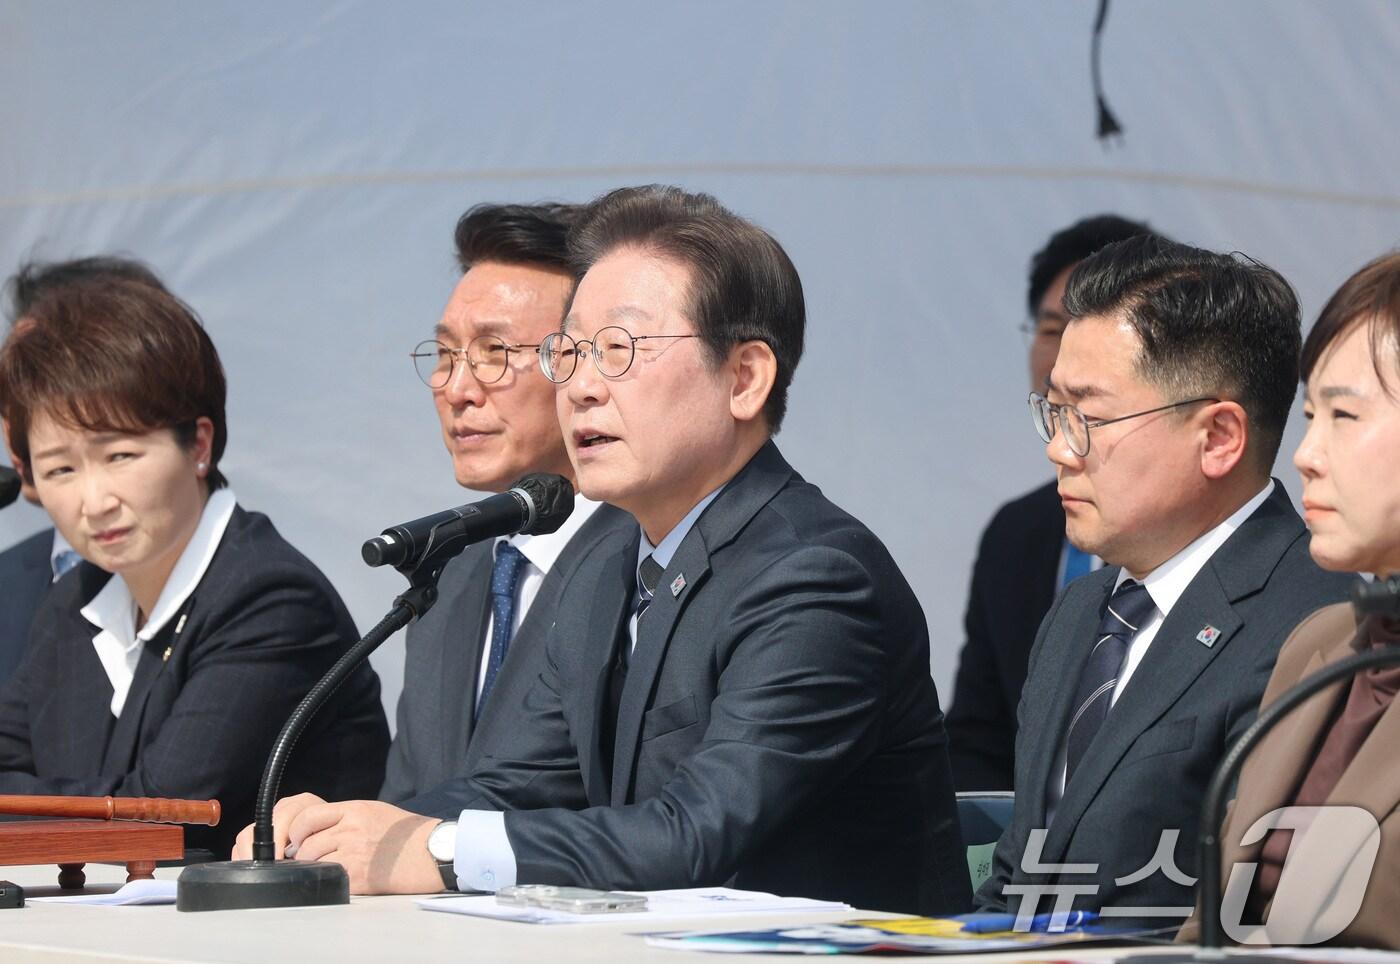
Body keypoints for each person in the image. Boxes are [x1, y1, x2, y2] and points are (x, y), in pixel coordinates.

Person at [239, 185, 971, 915]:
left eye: (618, 350)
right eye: (569, 352)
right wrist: (348, 834)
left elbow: (694, 836)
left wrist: (435, 849)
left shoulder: (814, 577)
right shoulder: (606, 564)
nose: (580, 387)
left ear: (744, 378)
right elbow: (514, 785)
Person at [976, 236, 1352, 924]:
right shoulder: (1080, 611)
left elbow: (1255, 911)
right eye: (1054, 412)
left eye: (1088, 418)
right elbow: (1018, 878)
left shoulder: (1319, 624)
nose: (1059, 448)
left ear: (1219, 437)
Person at [0, 262, 390, 856]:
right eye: (60, 470)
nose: (94, 502)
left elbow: (158, 816)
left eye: (121, 456)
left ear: (199, 445)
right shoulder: (77, 598)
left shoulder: (269, 597)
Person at [1182, 252, 1400, 948]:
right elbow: (1210, 927)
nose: (1306, 453)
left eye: (1345, 414)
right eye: (1310, 414)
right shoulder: (1323, 642)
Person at [381, 202, 632, 803]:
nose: (456, 390)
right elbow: (404, 801)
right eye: (445, 355)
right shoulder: (449, 580)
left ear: (579, 365)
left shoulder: (647, 560)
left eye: (494, 353)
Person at [947, 215, 1155, 791]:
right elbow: (975, 737)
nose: (1064, 355)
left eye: (1087, 328)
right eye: (1050, 328)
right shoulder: (1014, 535)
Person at [0, 258, 169, 686]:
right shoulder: (10, 579)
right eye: (13, 390)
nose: (15, 421)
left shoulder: (247, 588)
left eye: (54, 385)